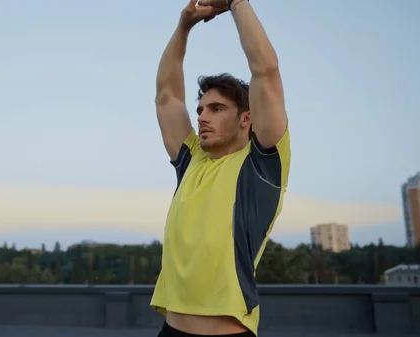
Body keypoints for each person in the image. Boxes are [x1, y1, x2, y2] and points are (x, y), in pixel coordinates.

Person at [150, 0, 290, 336]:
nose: (201, 116)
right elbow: (167, 96)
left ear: (246, 118)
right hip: (170, 329)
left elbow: (265, 72)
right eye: (200, 109)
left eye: (215, 108)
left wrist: (236, 2)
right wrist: (184, 26)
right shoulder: (191, 159)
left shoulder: (261, 166)